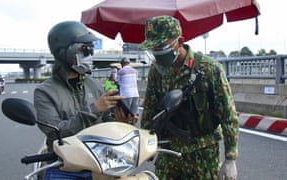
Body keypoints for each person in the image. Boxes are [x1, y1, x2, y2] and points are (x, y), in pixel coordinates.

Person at [139, 15, 239, 180]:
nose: (157, 53)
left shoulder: (210, 70)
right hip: (169, 151)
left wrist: (230, 158)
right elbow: (150, 109)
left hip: (202, 153)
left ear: (179, 41)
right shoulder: (156, 72)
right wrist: (146, 144)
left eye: (161, 46)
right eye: (153, 49)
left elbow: (228, 115)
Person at [33, 21, 126, 179]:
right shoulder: (44, 92)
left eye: (91, 49)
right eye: (84, 49)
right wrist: (94, 110)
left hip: (100, 161)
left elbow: (107, 124)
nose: (90, 55)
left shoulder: (95, 85)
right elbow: (55, 133)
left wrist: (121, 120)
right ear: (64, 52)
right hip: (64, 166)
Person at [116, 57, 139, 123]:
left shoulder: (120, 71)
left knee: (125, 115)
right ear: (129, 63)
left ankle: (125, 129)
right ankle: (133, 127)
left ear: (122, 64)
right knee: (134, 115)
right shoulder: (135, 71)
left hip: (126, 95)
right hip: (135, 94)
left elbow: (117, 81)